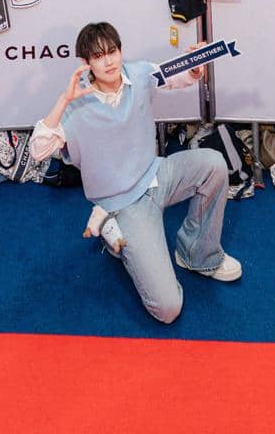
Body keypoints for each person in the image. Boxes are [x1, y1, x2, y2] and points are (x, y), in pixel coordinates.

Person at [29, 21, 241, 324]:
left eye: (112, 52)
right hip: (123, 204)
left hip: (157, 175)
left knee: (214, 164)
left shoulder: (138, 74)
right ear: (85, 63)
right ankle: (111, 227)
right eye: (99, 56)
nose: (109, 61)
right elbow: (38, 150)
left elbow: (176, 76)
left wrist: (195, 67)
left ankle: (197, 254)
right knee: (167, 309)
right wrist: (64, 101)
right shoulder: (76, 107)